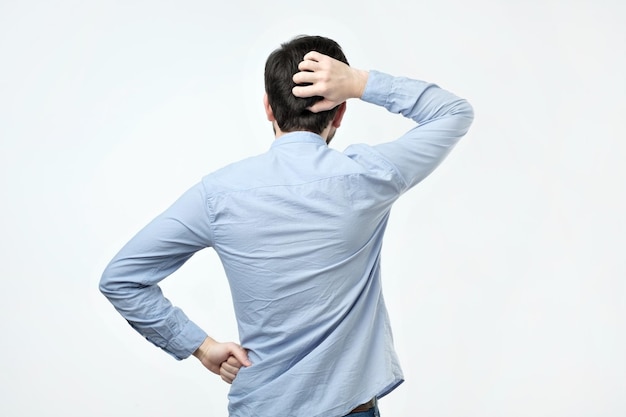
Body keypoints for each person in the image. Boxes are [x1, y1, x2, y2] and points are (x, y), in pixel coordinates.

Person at [99, 34, 474, 417]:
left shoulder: (217, 194)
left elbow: (121, 279)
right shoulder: (368, 176)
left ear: (268, 108)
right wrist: (360, 82)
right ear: (339, 112)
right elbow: (453, 113)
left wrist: (201, 346)